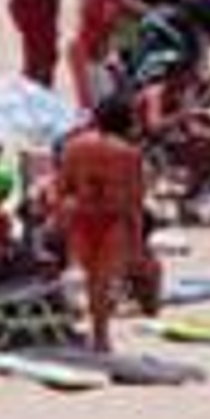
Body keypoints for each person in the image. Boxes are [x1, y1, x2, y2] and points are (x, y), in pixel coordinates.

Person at [56, 94, 161, 354]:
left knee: (94, 280)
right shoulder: (129, 154)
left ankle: (99, 334)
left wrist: (64, 217)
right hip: (112, 219)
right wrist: (137, 241)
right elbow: (135, 201)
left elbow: (63, 188)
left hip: (81, 216)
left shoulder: (73, 146)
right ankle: (104, 335)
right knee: (106, 279)